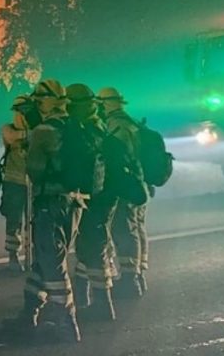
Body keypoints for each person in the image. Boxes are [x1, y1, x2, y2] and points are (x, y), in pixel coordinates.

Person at [4, 79, 82, 343]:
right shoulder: (74, 124)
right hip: (73, 202)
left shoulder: (44, 131)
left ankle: (66, 322)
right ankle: (28, 313)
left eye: (40, 98)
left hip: (49, 202)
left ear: (50, 101)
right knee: (42, 261)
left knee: (52, 262)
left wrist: (28, 153)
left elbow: (35, 170)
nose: (36, 103)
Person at [65, 84, 119, 321]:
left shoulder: (89, 129)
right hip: (100, 196)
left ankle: (103, 304)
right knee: (88, 247)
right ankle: (87, 296)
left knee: (92, 248)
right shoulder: (95, 125)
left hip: (98, 198)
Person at [98, 87, 149, 299]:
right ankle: (138, 275)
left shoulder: (115, 125)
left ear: (105, 104)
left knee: (123, 229)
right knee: (136, 227)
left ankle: (130, 280)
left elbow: (118, 157)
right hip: (138, 182)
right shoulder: (132, 122)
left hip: (125, 183)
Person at [0, 96, 31, 272]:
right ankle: (13, 256)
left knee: (32, 222)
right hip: (13, 183)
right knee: (13, 221)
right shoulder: (8, 129)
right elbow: (13, 137)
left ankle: (30, 255)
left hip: (32, 183)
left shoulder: (36, 130)